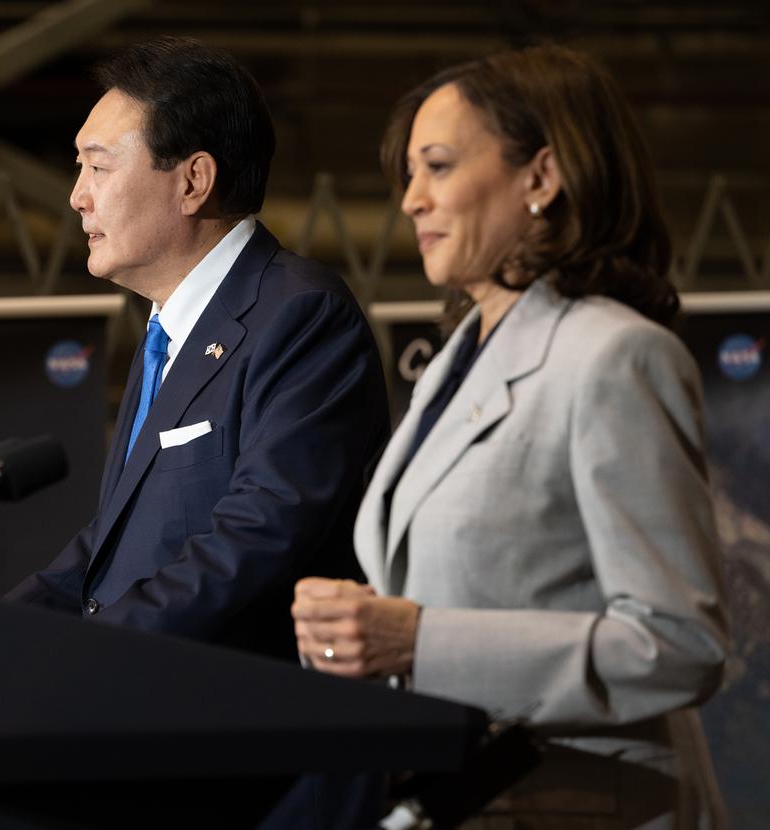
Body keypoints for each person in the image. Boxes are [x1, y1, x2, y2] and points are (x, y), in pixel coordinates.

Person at [291, 45, 730, 828]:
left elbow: (678, 646)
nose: (411, 202)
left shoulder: (614, 357)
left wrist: (418, 638)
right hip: (464, 796)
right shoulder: (454, 365)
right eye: (410, 176)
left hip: (588, 803)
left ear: (541, 178)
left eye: (438, 166)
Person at [8, 37, 389, 664]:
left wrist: (87, 651)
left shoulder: (299, 315)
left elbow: (255, 537)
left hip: (244, 725)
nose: (78, 196)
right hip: (153, 703)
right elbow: (114, 543)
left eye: (98, 168)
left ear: (194, 181)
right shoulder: (168, 332)